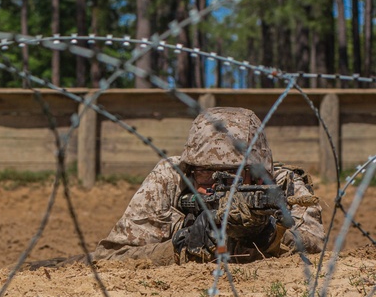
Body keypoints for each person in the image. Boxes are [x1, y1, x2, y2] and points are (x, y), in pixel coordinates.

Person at [89, 106, 324, 265]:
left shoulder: (283, 187)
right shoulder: (170, 178)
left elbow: (314, 249)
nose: (214, 186)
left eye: (232, 177)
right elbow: (110, 257)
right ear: (190, 170)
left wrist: (269, 236)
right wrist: (180, 246)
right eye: (204, 173)